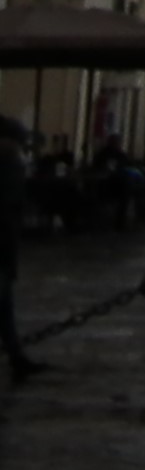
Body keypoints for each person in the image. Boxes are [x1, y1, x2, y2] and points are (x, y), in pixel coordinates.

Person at [1, 116, 47, 382]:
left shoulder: (12, 165)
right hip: (3, 245)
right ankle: (16, 356)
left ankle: (17, 355)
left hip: (6, 245)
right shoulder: (9, 166)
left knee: (5, 307)